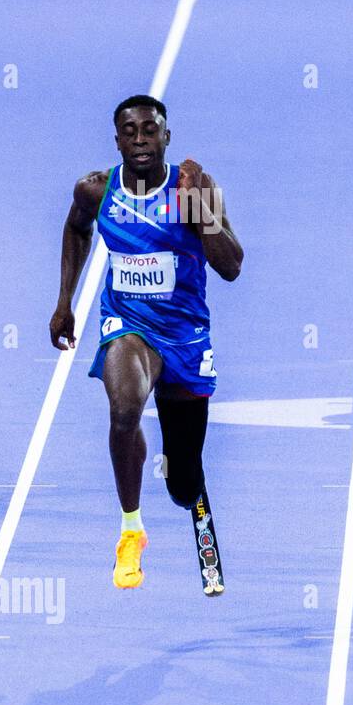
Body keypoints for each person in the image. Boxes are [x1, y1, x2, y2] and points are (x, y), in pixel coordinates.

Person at [50, 95, 243, 588]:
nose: (140, 139)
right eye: (130, 131)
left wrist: (203, 213)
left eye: (150, 130)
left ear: (166, 137)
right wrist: (65, 302)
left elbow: (232, 266)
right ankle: (131, 528)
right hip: (130, 326)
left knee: (181, 481)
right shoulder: (96, 190)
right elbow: (76, 230)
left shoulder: (194, 189)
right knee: (123, 409)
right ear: (116, 140)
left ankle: (189, 489)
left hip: (185, 336)